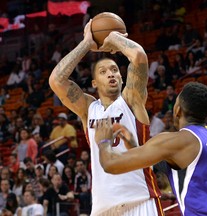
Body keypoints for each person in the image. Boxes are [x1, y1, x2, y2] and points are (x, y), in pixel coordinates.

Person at [49, 19, 162, 215]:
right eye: (103, 71)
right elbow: (56, 80)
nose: (110, 74)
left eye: (115, 70)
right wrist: (86, 44)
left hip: (140, 200)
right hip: (103, 208)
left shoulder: (131, 99)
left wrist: (114, 38)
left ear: (121, 78)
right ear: (94, 82)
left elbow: (138, 56)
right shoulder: (88, 109)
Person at [94, 82, 207, 215]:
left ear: (178, 109)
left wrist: (103, 141)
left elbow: (111, 165)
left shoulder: (178, 140)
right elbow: (158, 161)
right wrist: (132, 145)